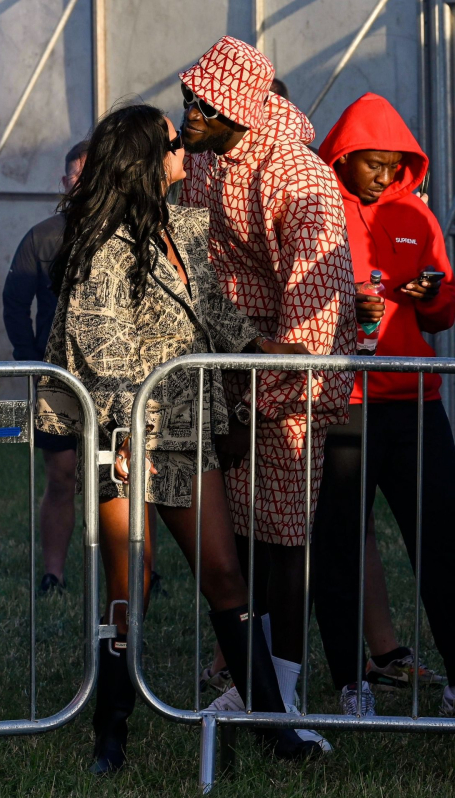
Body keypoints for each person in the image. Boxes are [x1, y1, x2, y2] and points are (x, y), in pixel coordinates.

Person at [35, 102, 328, 774]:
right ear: (146, 158)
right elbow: (99, 346)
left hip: (186, 431)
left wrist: (266, 348)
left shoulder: (182, 227)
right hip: (126, 436)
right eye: (173, 142)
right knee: (127, 588)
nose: (185, 150)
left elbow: (214, 311)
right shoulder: (101, 243)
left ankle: (274, 732)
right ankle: (110, 738)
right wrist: (120, 434)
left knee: (224, 575)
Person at [178, 36, 355, 745]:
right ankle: (246, 681)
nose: (186, 111)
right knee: (234, 537)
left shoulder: (300, 178)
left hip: (286, 382)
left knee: (283, 539)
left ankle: (281, 694)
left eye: (201, 103)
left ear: (238, 108)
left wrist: (263, 396)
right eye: (187, 97)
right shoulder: (200, 161)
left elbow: (317, 305)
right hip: (222, 362)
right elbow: (193, 260)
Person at [313, 92, 455, 716]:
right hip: (344, 403)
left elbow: (445, 313)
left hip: (415, 402)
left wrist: (431, 296)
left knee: (442, 539)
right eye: (373, 163)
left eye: (395, 164)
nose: (385, 174)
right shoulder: (322, 210)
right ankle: (351, 681)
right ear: (343, 157)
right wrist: (348, 312)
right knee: (340, 540)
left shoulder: (416, 216)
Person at [3, 141, 88, 593]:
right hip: (56, 379)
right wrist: (30, 359)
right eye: (76, 176)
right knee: (62, 474)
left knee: (125, 479)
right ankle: (53, 574)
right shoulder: (42, 236)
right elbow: (14, 302)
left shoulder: (131, 234)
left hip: (115, 379)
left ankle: (140, 573)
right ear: (64, 183)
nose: (83, 184)